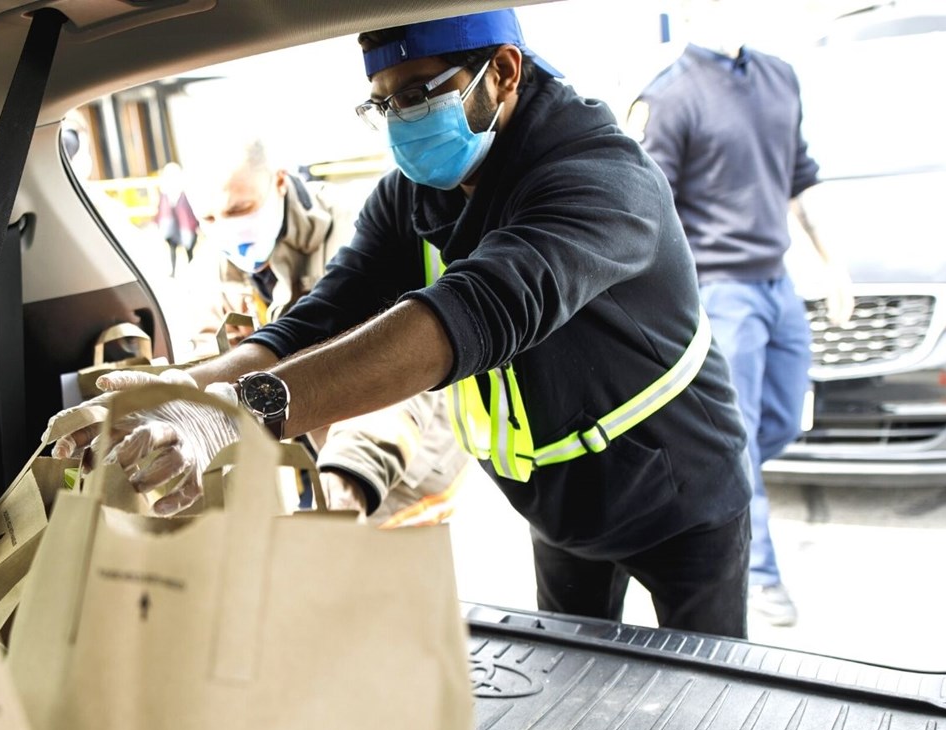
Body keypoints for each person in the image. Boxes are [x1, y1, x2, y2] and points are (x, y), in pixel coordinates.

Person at [49, 9, 755, 638]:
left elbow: (469, 313)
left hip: (678, 497)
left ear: (502, 72)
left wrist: (238, 416)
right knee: (578, 687)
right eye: (383, 103)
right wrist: (186, 389)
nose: (402, 121)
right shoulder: (415, 195)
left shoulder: (599, 178)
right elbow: (316, 321)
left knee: (710, 708)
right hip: (557, 502)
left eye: (418, 94)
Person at [628, 0, 850, 627]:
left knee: (777, 420)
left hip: (777, 286)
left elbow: (799, 180)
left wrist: (835, 267)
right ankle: (758, 575)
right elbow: (648, 209)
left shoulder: (780, 75)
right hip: (720, 292)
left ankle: (720, 511)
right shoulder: (670, 97)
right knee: (740, 440)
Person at [203, 140, 473, 526]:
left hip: (396, 455)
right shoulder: (219, 260)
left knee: (388, 567)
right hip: (309, 445)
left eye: (239, 209)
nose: (225, 228)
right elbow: (208, 342)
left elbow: (395, 360)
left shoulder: (353, 232)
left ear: (279, 182)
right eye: (208, 219)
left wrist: (351, 470)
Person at [154, 162, 199, 278]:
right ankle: (174, 271)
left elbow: (191, 210)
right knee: (172, 246)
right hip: (172, 224)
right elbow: (161, 209)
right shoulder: (165, 192)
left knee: (188, 247)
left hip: (184, 225)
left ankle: (191, 269)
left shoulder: (185, 192)